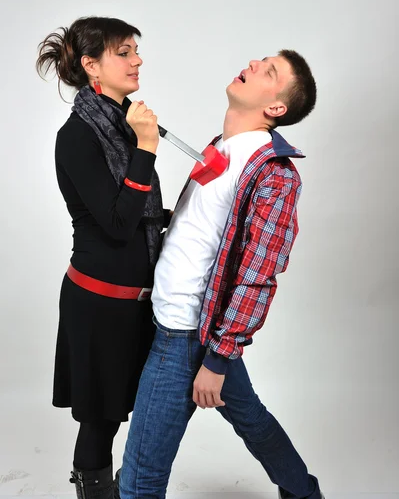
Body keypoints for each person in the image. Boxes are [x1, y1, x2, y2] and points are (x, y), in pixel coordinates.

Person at [119, 50, 324, 499]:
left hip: (185, 334)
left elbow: (258, 273)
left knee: (139, 479)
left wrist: (217, 357)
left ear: (276, 109)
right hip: (176, 322)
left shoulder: (273, 174)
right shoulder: (223, 145)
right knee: (252, 419)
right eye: (262, 60)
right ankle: (304, 493)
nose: (253, 65)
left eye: (268, 72)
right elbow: (200, 231)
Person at [36, 16, 170, 499]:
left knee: (129, 411)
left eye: (136, 49)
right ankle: (94, 490)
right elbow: (116, 225)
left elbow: (142, 213)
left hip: (136, 301)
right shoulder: (77, 135)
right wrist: (148, 148)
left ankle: (124, 486)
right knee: (101, 419)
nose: (136, 60)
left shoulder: (123, 122)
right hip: (98, 303)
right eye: (123, 51)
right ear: (91, 65)